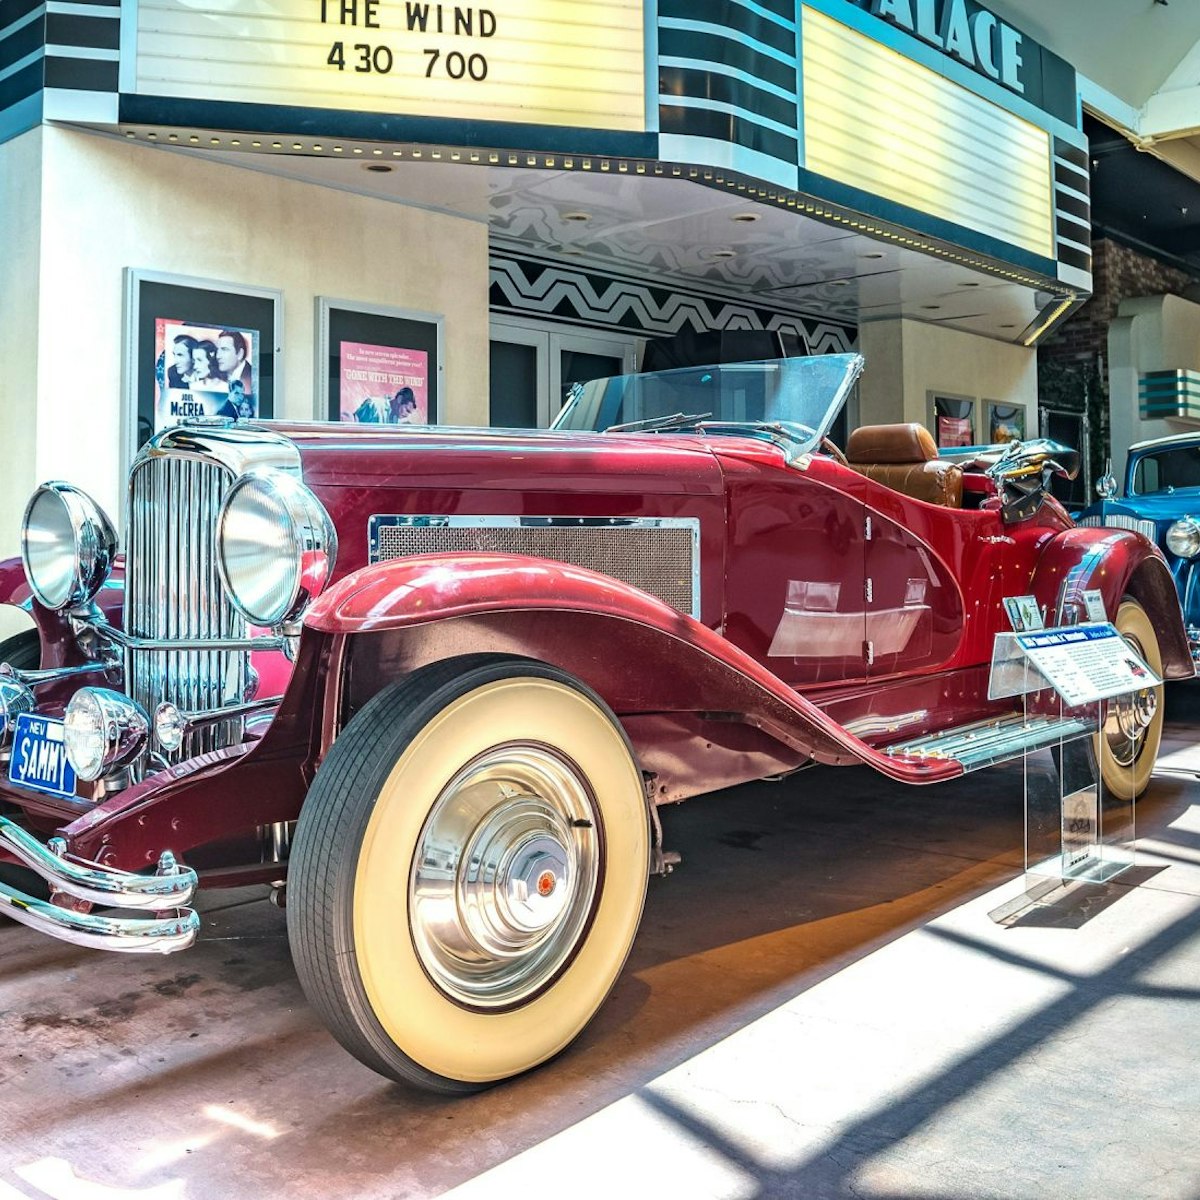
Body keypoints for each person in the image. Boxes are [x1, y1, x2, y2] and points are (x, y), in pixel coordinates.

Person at [216, 330, 253, 397]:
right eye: (217, 350)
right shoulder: (216, 377)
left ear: (240, 354)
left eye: (224, 349)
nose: (218, 356)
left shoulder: (253, 379)